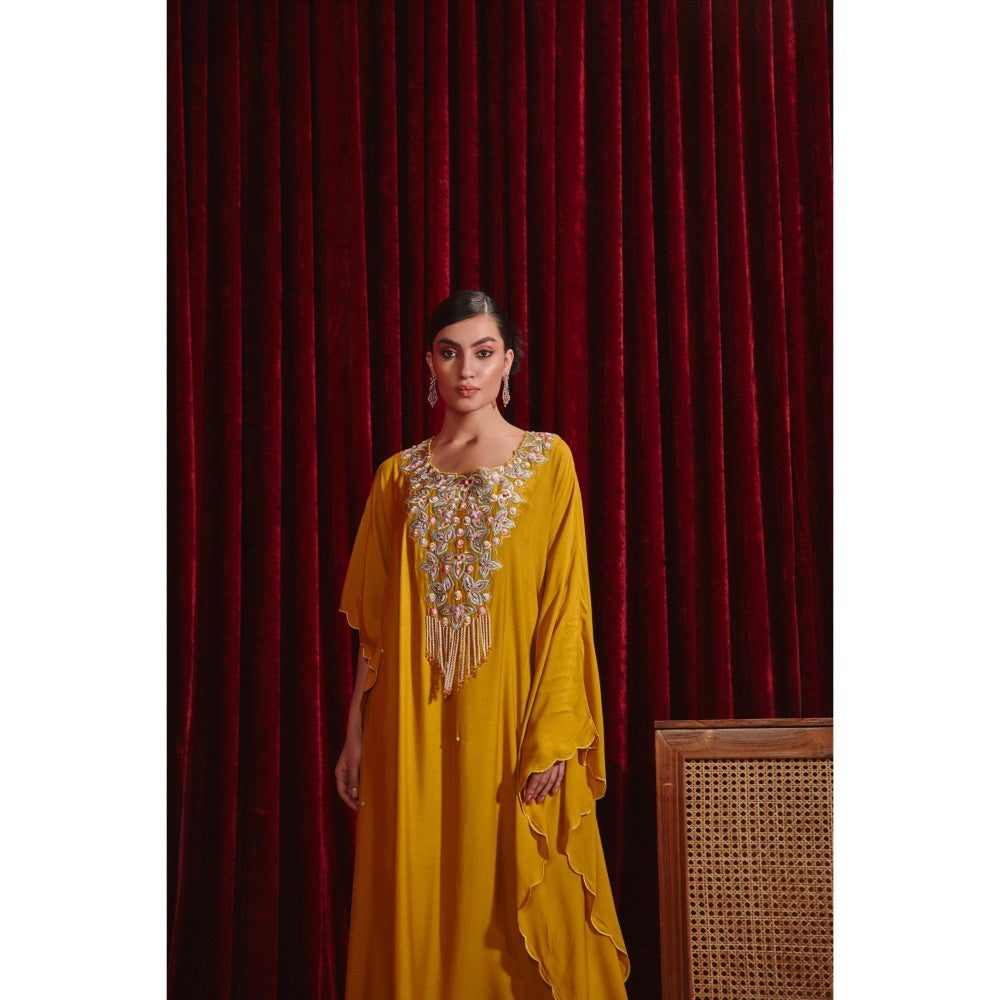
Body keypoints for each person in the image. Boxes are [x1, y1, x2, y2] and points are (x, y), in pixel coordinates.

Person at [335, 290, 629, 998]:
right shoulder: (397, 477)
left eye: (483, 352)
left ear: (509, 364)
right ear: (428, 365)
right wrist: (355, 734)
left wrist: (556, 731)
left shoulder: (548, 461)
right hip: (409, 720)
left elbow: (566, 606)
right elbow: (376, 628)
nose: (466, 369)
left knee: (512, 884)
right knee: (418, 885)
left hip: (510, 717)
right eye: (449, 352)